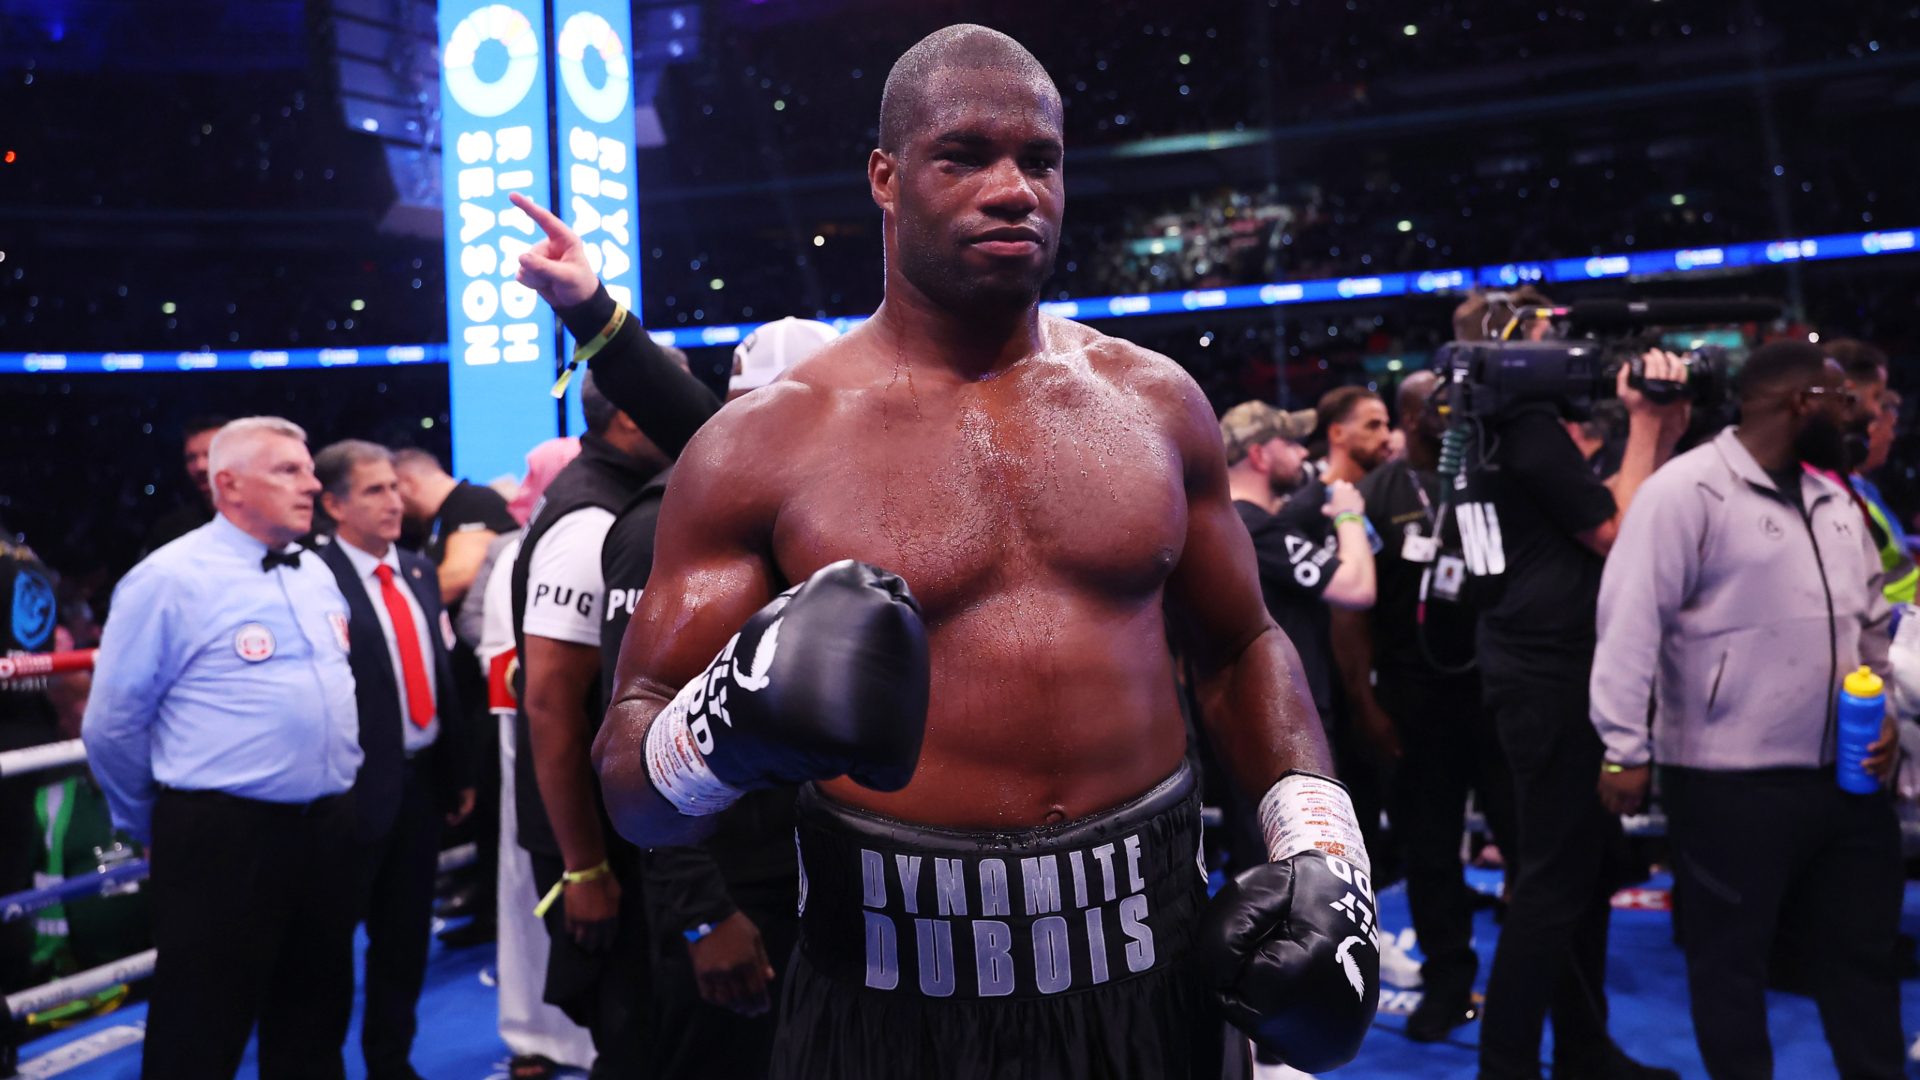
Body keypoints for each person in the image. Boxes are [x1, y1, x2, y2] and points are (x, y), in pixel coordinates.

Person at [591, 25, 1381, 1080]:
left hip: (1144, 955)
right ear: (885, 176)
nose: (1015, 190)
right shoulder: (760, 445)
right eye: (964, 156)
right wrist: (719, 727)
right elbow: (629, 785)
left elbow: (1243, 647)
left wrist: (1324, 851)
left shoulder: (1155, 404)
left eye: (1040, 160)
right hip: (885, 979)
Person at [1590, 341, 1905, 1080]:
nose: (1854, 413)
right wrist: (1623, 748)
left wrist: (1884, 709)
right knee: (1730, 966)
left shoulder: (1837, 498)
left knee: (1861, 957)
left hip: (1846, 777)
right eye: (1840, 399)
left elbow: (1868, 624)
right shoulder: (1686, 491)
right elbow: (1629, 622)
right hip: (1727, 780)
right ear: (1800, 404)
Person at [83, 416, 362, 1079]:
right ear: (229, 486)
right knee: (199, 1034)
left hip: (324, 828)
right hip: (221, 834)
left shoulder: (316, 570)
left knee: (315, 1026)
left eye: (310, 469)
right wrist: (154, 819)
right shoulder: (167, 579)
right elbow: (111, 725)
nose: (312, 484)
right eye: (289, 471)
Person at [1459, 294, 1693, 1079]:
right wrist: (1651, 428)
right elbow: (1620, 532)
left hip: (1542, 666)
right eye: (1553, 341)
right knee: (1555, 882)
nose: (1571, 355)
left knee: (1581, 875)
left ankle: (1584, 1048)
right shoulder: (1525, 432)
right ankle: (1510, 1065)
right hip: (1550, 673)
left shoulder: (1492, 429)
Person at [1328, 370, 1516, 1043]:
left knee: (1523, 843)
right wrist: (1364, 702)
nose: (1448, 415)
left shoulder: (1488, 476)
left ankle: (1531, 985)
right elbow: (1349, 616)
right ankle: (1445, 984)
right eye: (1433, 406)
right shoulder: (1379, 493)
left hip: (1495, 691)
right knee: (1432, 851)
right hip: (1413, 700)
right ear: (1411, 416)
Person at [509, 370, 674, 1075]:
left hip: (613, 824)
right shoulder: (591, 522)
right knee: (633, 1031)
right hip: (596, 840)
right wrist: (584, 866)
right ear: (633, 419)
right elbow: (549, 703)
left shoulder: (610, 499)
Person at [313, 440, 474, 1080]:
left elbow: (439, 670)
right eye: (375, 490)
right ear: (334, 504)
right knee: (326, 948)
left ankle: (391, 1064)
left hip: (420, 782)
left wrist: (457, 770)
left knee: (404, 940)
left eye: (395, 487)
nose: (394, 500)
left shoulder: (418, 569)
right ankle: (318, 1065)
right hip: (345, 791)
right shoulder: (313, 575)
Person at [141, 414, 229, 554]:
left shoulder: (266, 521)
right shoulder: (171, 531)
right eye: (191, 458)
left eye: (210, 454)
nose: (199, 466)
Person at [1317, 386, 1392, 486]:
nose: (1386, 437)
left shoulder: (1388, 496)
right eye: (1373, 426)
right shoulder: (1311, 501)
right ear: (1337, 433)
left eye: (1386, 426)